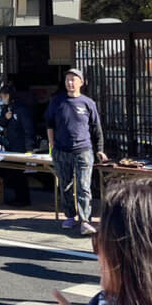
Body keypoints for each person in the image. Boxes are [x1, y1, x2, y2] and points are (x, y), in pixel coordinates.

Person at [45, 68, 108, 235]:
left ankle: (85, 220)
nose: (70, 83)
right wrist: (52, 146)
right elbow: (49, 125)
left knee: (84, 186)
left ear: (81, 82)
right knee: (65, 185)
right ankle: (70, 216)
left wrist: (100, 150)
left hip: (84, 150)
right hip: (61, 150)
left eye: (73, 79)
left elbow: (96, 128)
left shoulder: (88, 103)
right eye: (67, 80)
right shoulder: (57, 101)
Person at [0, 86, 34, 206]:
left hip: (20, 145)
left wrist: (29, 148)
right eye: (1, 96)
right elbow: (1, 123)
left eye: (4, 96)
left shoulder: (21, 108)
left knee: (20, 174)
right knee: (13, 172)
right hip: (10, 145)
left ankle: (23, 199)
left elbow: (28, 128)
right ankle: (17, 197)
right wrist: (6, 118)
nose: (3, 98)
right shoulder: (6, 108)